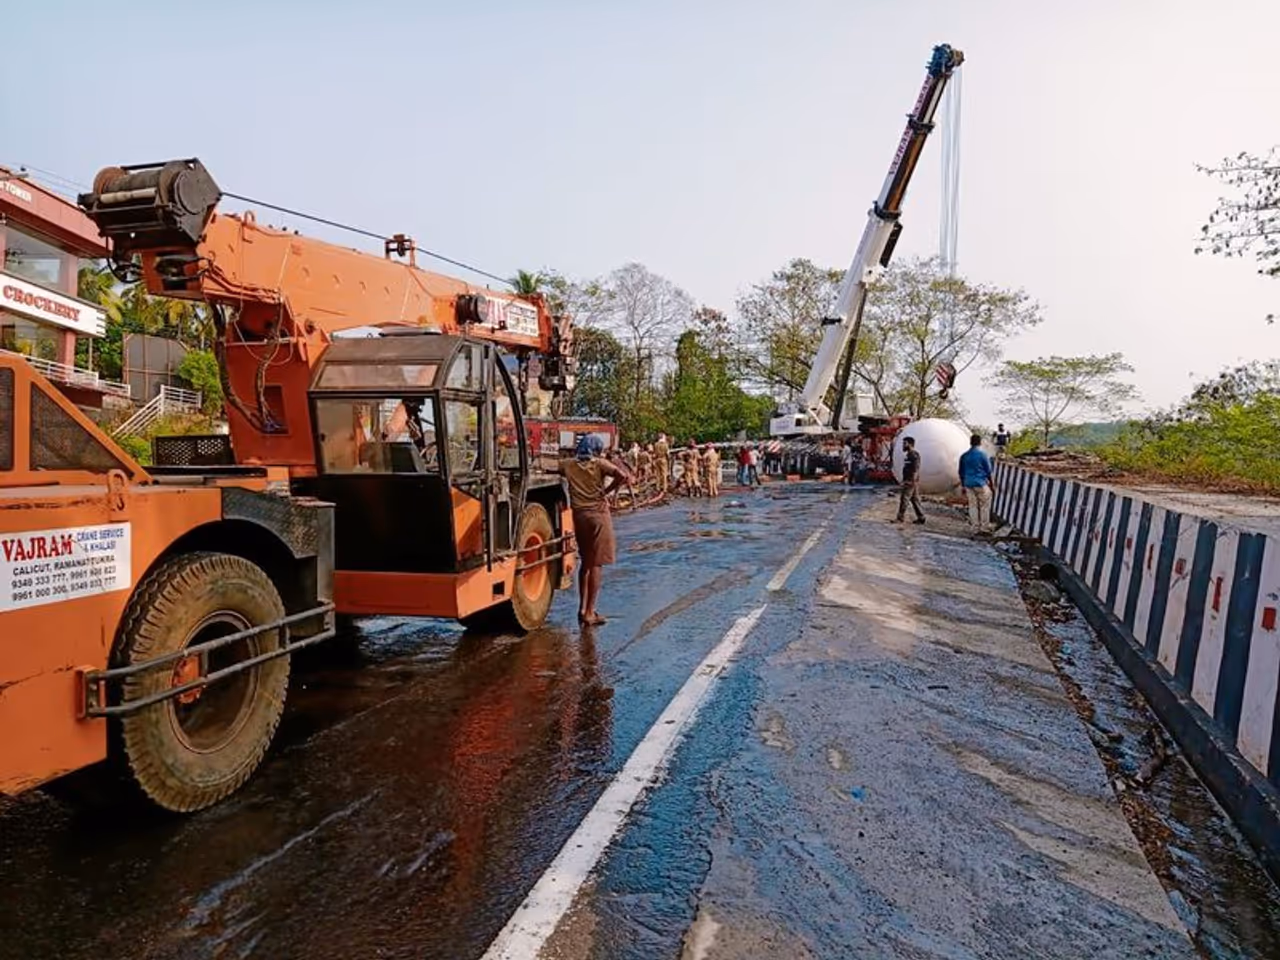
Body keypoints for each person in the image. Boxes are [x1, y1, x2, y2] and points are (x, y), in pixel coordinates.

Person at [559, 435, 631, 625]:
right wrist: (606, 492)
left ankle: (582, 609)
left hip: (579, 515)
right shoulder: (599, 464)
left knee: (585, 562)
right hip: (598, 515)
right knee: (597, 564)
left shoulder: (568, 465)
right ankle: (591, 612)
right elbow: (623, 476)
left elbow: (551, 467)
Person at [959, 433, 995, 534]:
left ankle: (975, 528)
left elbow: (961, 472)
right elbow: (989, 472)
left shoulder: (964, 456)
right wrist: (992, 485)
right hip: (980, 483)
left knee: (973, 506)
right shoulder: (983, 455)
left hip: (968, 483)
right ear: (980, 443)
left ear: (970, 443)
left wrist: (962, 485)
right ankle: (984, 527)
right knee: (984, 505)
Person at [894, 435, 925, 524]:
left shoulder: (914, 455)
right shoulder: (908, 455)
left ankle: (900, 518)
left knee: (904, 499)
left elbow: (915, 469)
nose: (903, 445)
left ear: (910, 444)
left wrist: (910, 481)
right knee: (915, 500)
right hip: (911, 481)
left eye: (905, 443)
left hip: (911, 481)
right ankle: (921, 517)